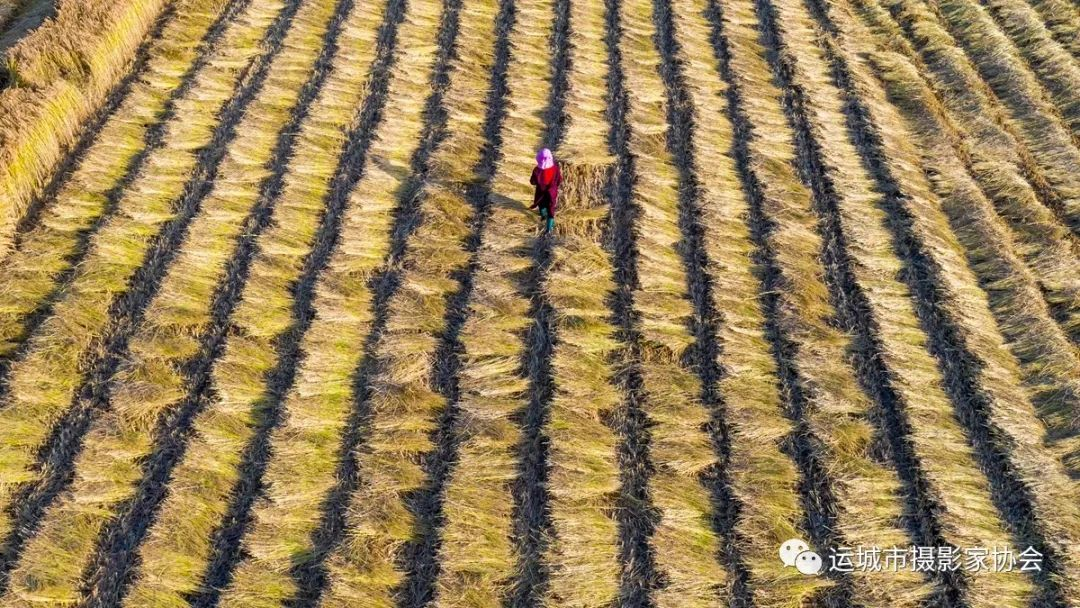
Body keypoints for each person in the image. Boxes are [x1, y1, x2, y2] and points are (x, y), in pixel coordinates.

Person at [529, 147, 561, 232]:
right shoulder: (555, 169)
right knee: (551, 208)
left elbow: (532, 181)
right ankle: (549, 229)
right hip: (552, 192)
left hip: (541, 192)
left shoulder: (537, 170)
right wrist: (554, 187)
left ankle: (543, 216)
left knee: (541, 204)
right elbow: (559, 180)